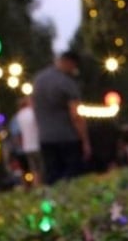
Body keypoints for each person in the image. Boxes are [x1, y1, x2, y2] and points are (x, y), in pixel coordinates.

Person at [32, 49, 91, 185]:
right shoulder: (67, 83)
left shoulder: (38, 80)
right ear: (70, 63)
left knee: (52, 177)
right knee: (73, 178)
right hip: (68, 137)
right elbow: (75, 115)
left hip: (45, 138)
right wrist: (85, 140)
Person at [14, 96, 43, 185]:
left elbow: (17, 133)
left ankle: (36, 186)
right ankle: (44, 185)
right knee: (42, 168)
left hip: (27, 146)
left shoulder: (19, 116)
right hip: (37, 144)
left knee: (34, 169)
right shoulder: (33, 112)